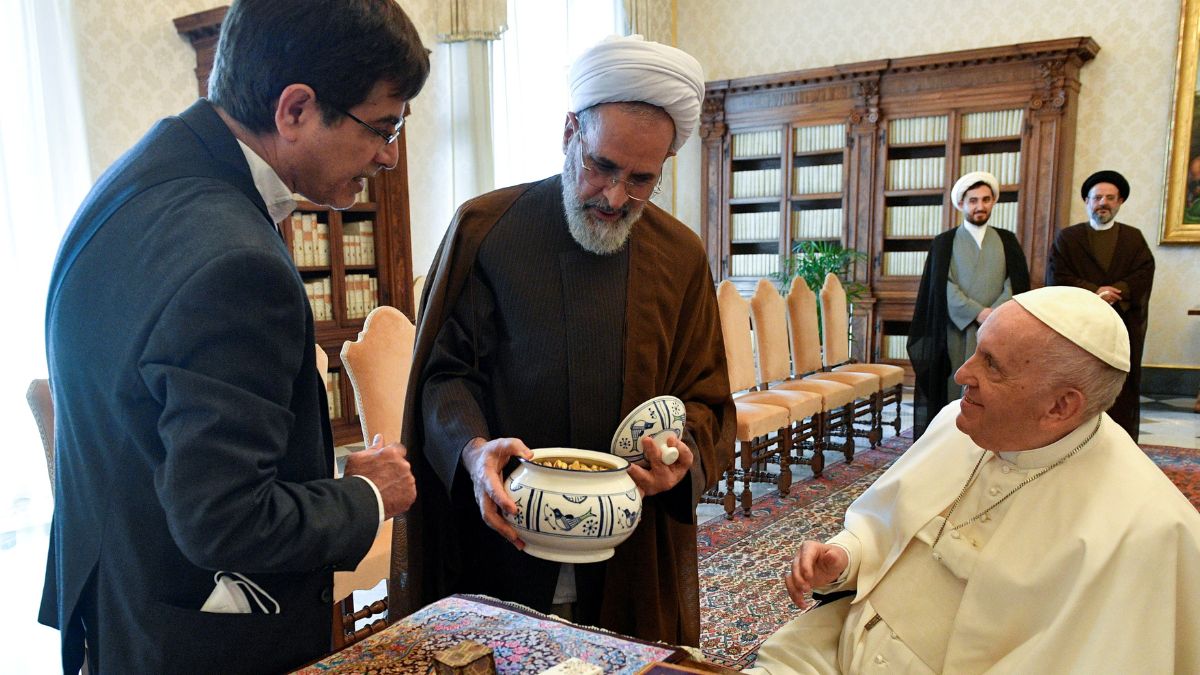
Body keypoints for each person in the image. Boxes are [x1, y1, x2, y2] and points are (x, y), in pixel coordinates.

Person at [39, 1, 429, 672]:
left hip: (120, 598)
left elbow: (168, 437)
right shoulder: (237, 265)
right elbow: (225, 518)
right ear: (296, 109)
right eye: (382, 127)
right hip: (203, 639)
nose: (389, 157)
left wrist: (327, 478)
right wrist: (366, 496)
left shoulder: (135, 176)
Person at [399, 35, 735, 646]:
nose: (615, 197)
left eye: (641, 180)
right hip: (502, 536)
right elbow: (445, 377)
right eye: (602, 166)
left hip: (631, 551)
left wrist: (681, 459)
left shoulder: (682, 257)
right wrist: (474, 453)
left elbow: (708, 403)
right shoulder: (488, 230)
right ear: (568, 133)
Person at [747, 285, 1200, 674]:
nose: (962, 374)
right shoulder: (959, 421)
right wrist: (844, 558)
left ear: (1061, 406)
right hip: (832, 646)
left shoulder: (1150, 528)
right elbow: (883, 524)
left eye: (992, 364)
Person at [907, 170, 1030, 438]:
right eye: (973, 200)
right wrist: (978, 312)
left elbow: (1015, 283)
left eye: (986, 200)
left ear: (993, 202)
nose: (979, 206)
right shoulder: (944, 243)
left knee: (996, 384)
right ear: (961, 204)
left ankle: (992, 437)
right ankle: (952, 439)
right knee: (955, 384)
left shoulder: (1008, 240)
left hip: (999, 329)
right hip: (956, 329)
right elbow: (942, 287)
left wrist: (995, 313)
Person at [1047, 170, 1154, 441]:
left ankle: (1119, 442)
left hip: (1121, 325)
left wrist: (1119, 291)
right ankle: (1071, 438)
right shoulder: (1068, 239)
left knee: (1119, 384)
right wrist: (1095, 291)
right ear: (1086, 200)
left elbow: (1143, 273)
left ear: (1120, 202)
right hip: (1079, 327)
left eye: (1109, 197)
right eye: (1097, 197)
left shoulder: (1133, 239)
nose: (1102, 203)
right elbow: (1058, 277)